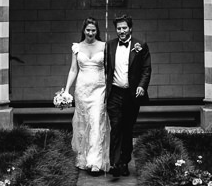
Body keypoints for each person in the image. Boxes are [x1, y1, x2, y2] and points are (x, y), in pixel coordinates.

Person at [104, 13, 151, 177]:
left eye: (124, 28)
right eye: (119, 28)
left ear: (130, 28)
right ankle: (115, 164)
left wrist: (141, 86)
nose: (121, 31)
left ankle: (124, 161)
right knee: (115, 127)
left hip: (131, 95)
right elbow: (105, 68)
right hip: (115, 93)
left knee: (127, 129)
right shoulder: (109, 45)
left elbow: (146, 69)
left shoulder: (140, 45)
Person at [63, 17, 110, 175]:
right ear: (84, 30)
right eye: (88, 30)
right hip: (82, 90)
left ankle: (95, 161)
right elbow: (73, 70)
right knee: (84, 124)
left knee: (96, 121)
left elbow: (108, 69)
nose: (90, 32)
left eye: (93, 30)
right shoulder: (76, 47)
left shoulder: (104, 46)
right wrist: (66, 90)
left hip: (99, 89)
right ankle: (84, 157)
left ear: (97, 31)